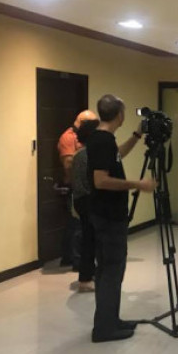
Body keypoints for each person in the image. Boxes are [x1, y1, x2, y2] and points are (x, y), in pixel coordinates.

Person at [88, 94, 155, 343]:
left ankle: (110, 320)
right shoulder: (102, 140)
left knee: (110, 271)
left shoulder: (103, 139)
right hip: (108, 217)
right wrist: (137, 184)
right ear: (119, 114)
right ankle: (105, 328)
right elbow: (100, 180)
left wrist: (136, 136)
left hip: (106, 216)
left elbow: (116, 155)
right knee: (111, 271)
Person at [57, 110, 98, 268]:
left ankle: (71, 257)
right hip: (74, 185)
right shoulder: (68, 137)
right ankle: (77, 260)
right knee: (77, 225)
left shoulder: (84, 138)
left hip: (83, 185)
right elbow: (68, 165)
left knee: (77, 224)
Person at [71, 118, 100, 292]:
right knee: (89, 240)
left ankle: (89, 274)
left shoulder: (80, 154)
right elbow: (90, 182)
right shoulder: (86, 155)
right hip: (87, 201)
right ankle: (85, 278)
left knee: (90, 238)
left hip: (82, 200)